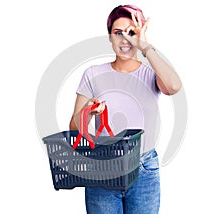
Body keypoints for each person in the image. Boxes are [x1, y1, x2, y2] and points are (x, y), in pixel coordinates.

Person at [69, 5, 182, 214]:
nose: (125, 39)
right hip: (102, 168)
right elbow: (74, 127)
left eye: (132, 33)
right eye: (118, 32)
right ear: (110, 37)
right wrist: (87, 111)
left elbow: (174, 86)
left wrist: (145, 45)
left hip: (143, 170)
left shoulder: (151, 74)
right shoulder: (93, 74)